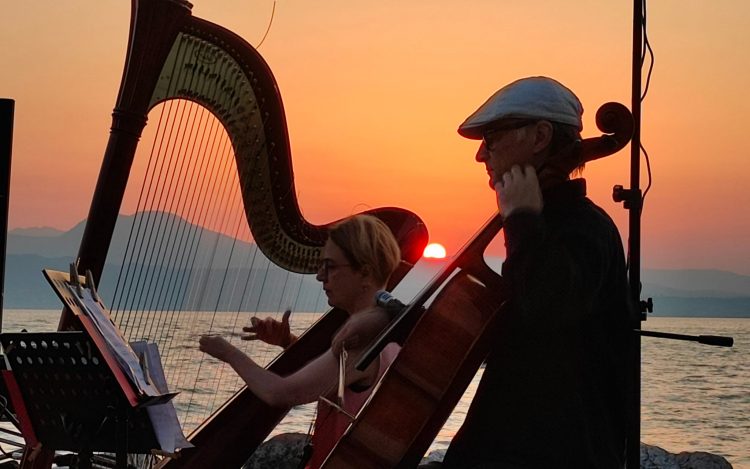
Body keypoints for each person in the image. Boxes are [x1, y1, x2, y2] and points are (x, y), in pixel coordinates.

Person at [333, 76, 634, 468]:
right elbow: (475, 332)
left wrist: (522, 217)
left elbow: (545, 308)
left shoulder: (584, 228)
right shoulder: (540, 226)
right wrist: (387, 315)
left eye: (492, 138)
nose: (481, 155)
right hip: (503, 448)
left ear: (540, 136)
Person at [199, 214, 402, 469]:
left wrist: (227, 352)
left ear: (365, 272)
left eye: (330, 266)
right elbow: (334, 375)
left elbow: (280, 393)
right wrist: (287, 342)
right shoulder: (387, 329)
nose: (320, 276)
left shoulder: (361, 337)